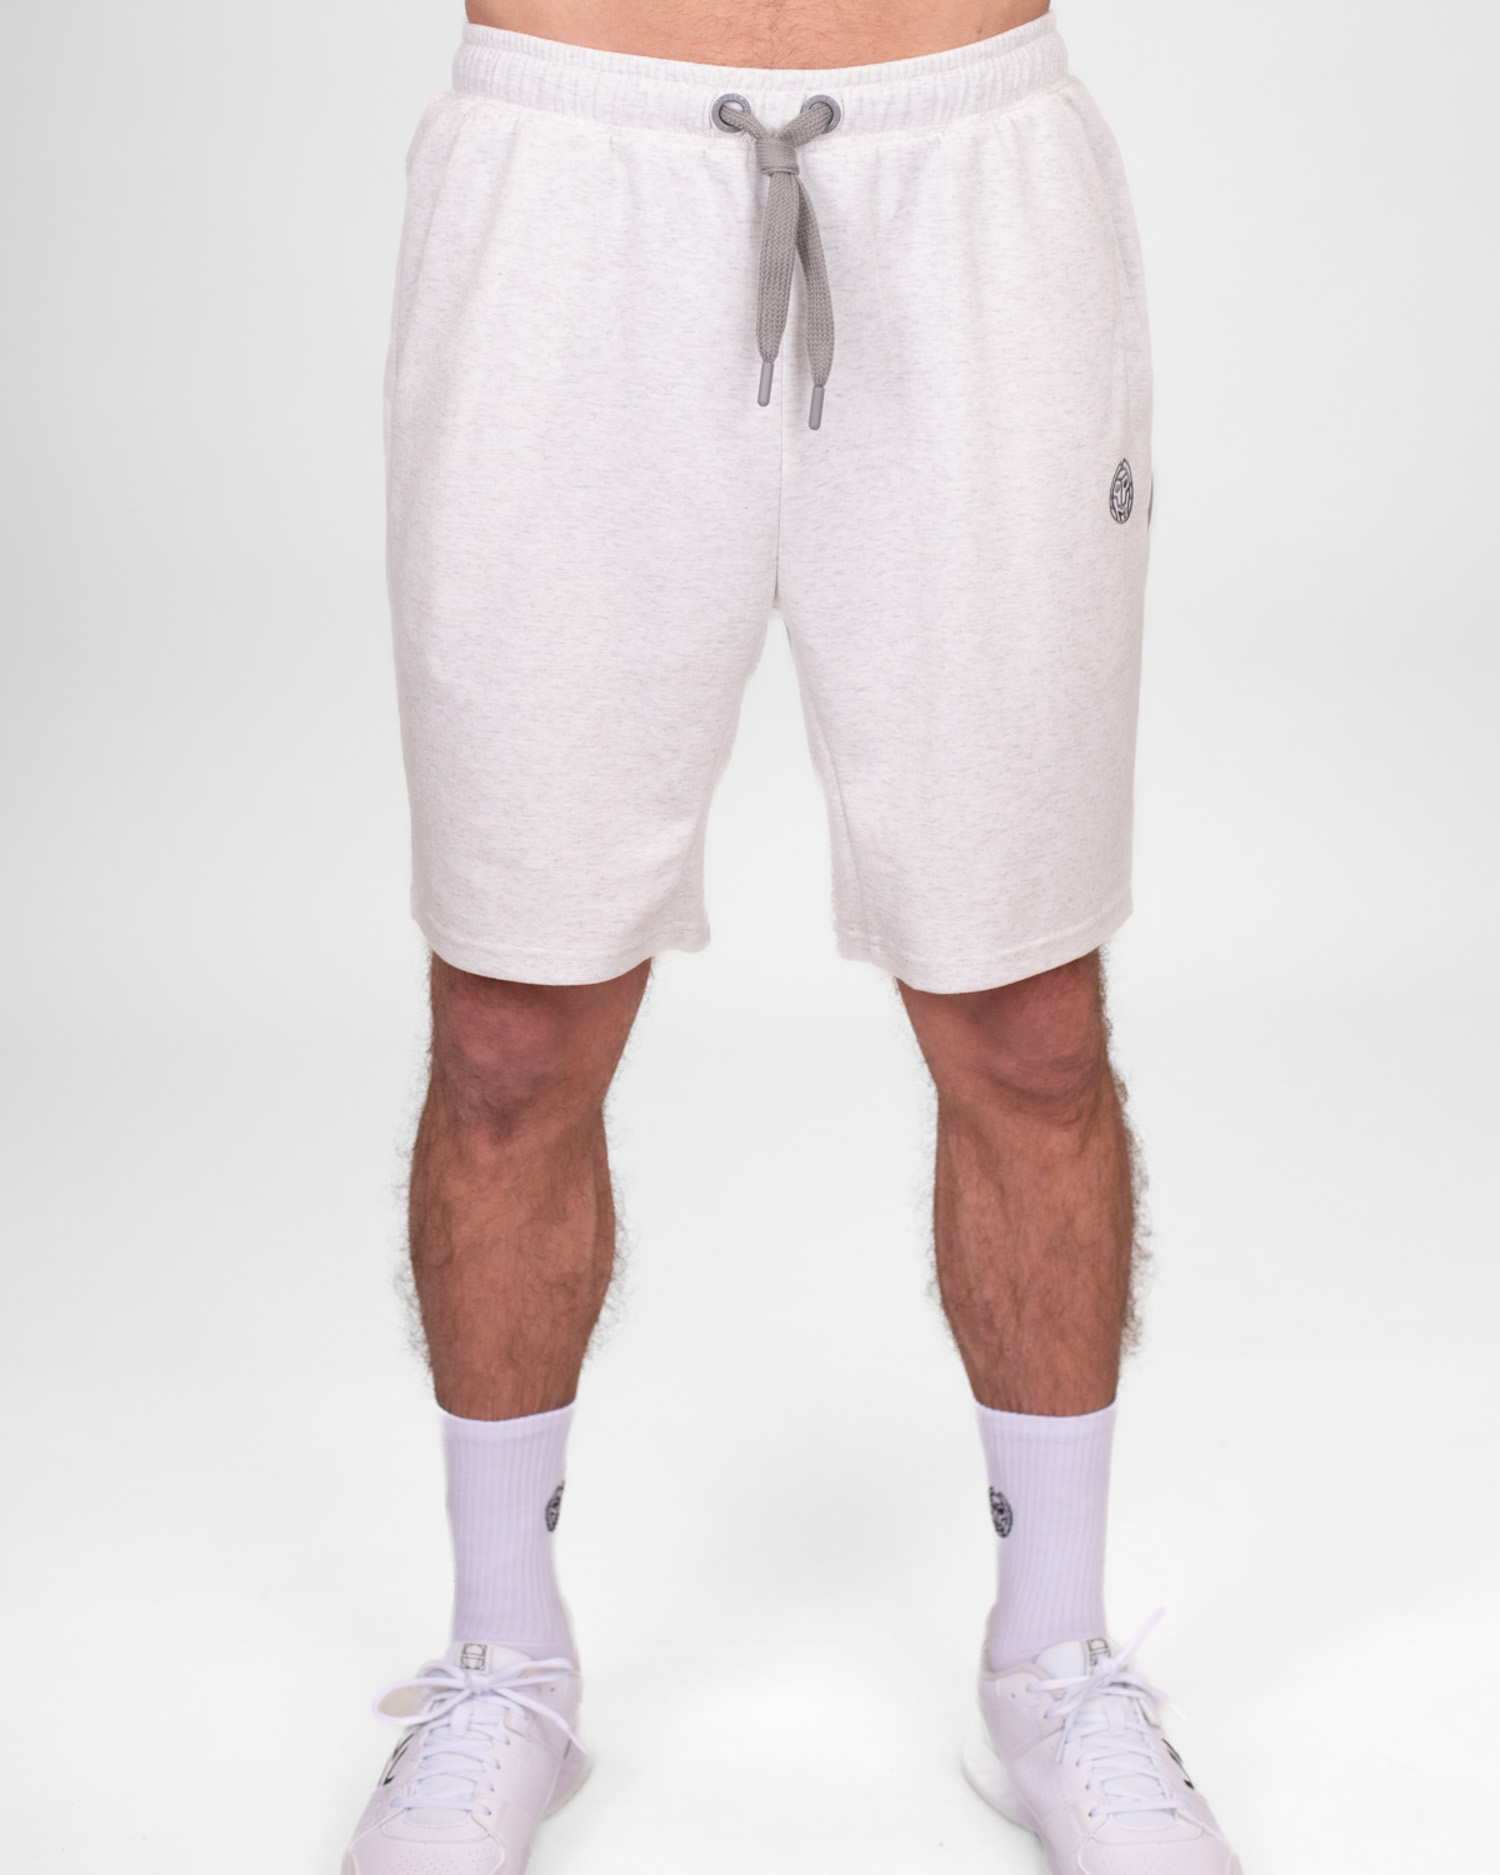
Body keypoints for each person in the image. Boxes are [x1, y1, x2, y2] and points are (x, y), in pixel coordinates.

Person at [342, 1, 1241, 1870]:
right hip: (565, 183)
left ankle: (1051, 1666)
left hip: (967, 178)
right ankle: (504, 1665)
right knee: (511, 1022)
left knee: (1028, 1019)